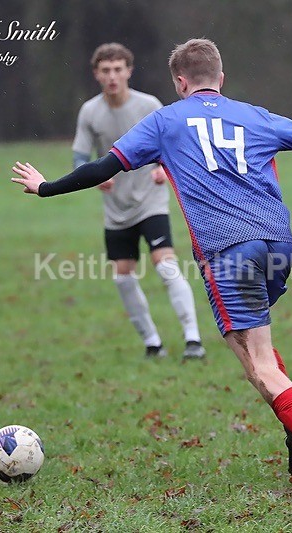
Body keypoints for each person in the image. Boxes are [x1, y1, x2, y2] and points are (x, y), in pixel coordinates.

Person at [11, 38, 292, 487]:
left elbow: (103, 168)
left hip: (228, 250)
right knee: (254, 348)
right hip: (279, 243)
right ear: (221, 78)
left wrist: (45, 187)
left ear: (180, 82)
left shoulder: (164, 121)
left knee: (258, 363)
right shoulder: (255, 114)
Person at [73, 43, 205, 360]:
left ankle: (193, 339)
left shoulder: (149, 105)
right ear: (97, 75)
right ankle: (152, 343)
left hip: (150, 200)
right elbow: (80, 159)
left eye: (118, 69)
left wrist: (163, 168)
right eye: (106, 71)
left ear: (129, 71)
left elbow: (175, 145)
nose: (112, 76)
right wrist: (93, 176)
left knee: (166, 265)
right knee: (122, 276)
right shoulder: (90, 112)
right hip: (116, 209)